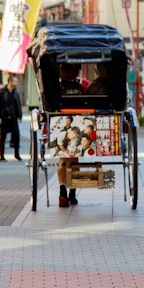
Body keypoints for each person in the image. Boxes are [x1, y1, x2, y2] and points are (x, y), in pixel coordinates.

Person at [57, 64, 86, 208]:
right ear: (76, 71)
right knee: (74, 160)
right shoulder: (82, 87)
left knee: (63, 160)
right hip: (78, 125)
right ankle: (72, 193)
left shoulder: (54, 88)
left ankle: (62, 190)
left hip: (58, 124)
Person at [0, 74, 22, 162]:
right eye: (15, 81)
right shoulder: (1, 92)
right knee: (3, 137)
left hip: (13, 117)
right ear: (10, 82)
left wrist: (19, 115)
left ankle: (17, 154)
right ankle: (2, 156)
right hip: (4, 117)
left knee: (16, 135)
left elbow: (18, 104)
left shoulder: (16, 92)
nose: (16, 83)